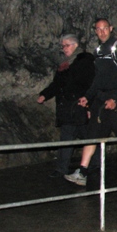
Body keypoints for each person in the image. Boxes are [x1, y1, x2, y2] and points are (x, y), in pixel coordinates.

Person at [65, 18, 117, 186]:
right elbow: (97, 79)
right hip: (102, 97)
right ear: (95, 31)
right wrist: (88, 96)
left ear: (111, 28)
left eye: (105, 28)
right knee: (93, 133)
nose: (102, 31)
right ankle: (82, 172)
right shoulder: (98, 51)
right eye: (99, 29)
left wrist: (116, 98)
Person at [37, 34, 95, 177]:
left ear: (75, 45)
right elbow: (58, 84)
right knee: (69, 137)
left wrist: (89, 102)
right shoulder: (65, 65)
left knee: (87, 136)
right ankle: (63, 168)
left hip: (78, 106)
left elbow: (90, 83)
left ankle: (95, 165)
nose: (64, 49)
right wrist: (45, 94)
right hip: (67, 107)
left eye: (66, 45)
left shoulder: (85, 60)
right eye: (62, 46)